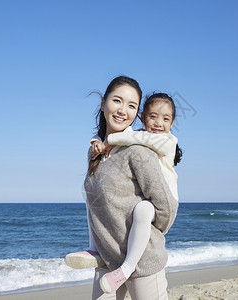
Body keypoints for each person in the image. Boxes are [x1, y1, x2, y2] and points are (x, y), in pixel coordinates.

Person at [66, 76, 178, 300]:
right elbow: (95, 205)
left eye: (131, 106)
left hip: (144, 264)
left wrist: (149, 230)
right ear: (103, 103)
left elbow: (167, 208)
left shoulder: (139, 152)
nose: (122, 110)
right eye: (117, 101)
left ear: (137, 113)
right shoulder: (95, 153)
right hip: (107, 261)